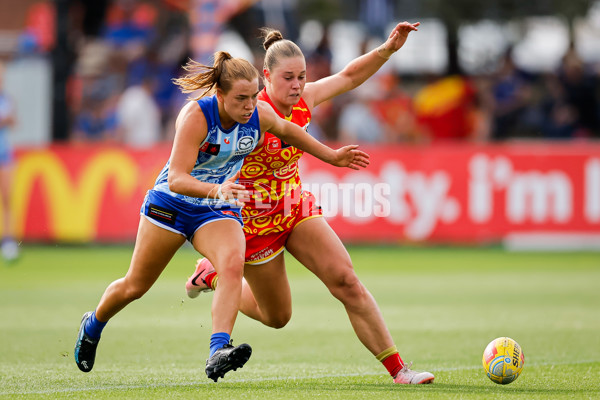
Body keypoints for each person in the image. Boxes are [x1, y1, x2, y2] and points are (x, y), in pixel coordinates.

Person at [74, 51, 369, 381]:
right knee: (134, 287)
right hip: (172, 205)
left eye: (254, 96)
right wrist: (217, 191)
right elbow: (177, 179)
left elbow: (289, 131)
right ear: (220, 95)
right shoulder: (196, 117)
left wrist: (333, 156)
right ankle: (94, 323)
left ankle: (218, 349)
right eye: (241, 98)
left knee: (232, 261)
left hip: (216, 207)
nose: (249, 105)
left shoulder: (259, 113)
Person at [185, 23, 435, 384]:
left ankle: (400, 371)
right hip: (252, 225)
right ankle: (210, 274)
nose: (297, 85)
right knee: (277, 317)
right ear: (265, 77)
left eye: (301, 77)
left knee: (346, 280)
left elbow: (349, 76)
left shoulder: (306, 99)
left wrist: (389, 48)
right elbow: (208, 153)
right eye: (288, 78)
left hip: (294, 208)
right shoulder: (247, 111)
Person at [0, 62, 19, 262]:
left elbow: (13, 121)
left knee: (7, 200)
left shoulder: (7, 99)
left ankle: (8, 241)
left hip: (5, 154)